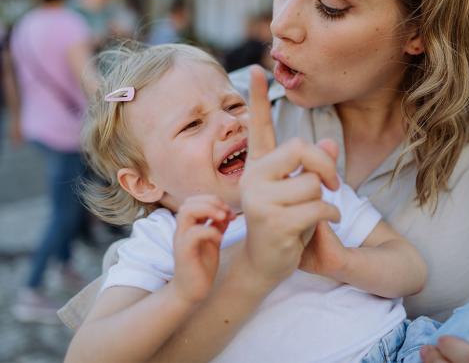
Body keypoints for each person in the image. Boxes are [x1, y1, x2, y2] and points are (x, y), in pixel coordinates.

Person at [61, 0, 469, 361]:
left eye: (330, 4)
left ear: (420, 30)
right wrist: (251, 268)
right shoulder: (220, 109)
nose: (281, 23)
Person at [64, 43, 427, 362]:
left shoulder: (301, 182)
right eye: (192, 124)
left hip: (403, 345)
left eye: (234, 105)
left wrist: (340, 261)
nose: (229, 124)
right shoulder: (163, 240)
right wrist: (181, 293)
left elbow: (411, 270)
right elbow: (87, 355)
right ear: (142, 183)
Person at [7, 0, 96, 323]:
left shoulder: (25, 25)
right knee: (64, 211)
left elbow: (10, 75)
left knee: (69, 201)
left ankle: (64, 265)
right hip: (66, 129)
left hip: (38, 124)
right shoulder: (71, 24)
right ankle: (31, 288)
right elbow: (86, 76)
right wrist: (117, 102)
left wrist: (16, 118)